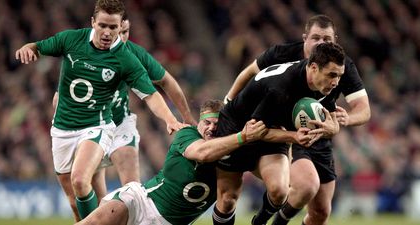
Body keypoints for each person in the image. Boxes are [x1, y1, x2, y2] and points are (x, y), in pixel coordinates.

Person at [15, 0, 185, 221]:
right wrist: (29, 48)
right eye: (103, 25)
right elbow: (38, 46)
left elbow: (151, 94)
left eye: (113, 28)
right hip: (62, 130)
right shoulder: (71, 39)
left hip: (97, 127)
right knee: (74, 202)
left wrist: (170, 119)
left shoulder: (125, 57)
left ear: (120, 27)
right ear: (92, 22)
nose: (107, 32)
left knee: (80, 180)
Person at [224, 15, 371, 225]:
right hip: (287, 131)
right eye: (316, 38)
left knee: (321, 213)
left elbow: (364, 110)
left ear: (335, 41)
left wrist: (346, 118)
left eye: (327, 39)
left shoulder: (341, 66)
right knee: (306, 185)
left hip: (320, 134)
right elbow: (248, 73)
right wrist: (228, 100)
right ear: (305, 38)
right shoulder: (281, 54)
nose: (321, 43)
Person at [52, 13, 196, 185]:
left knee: (131, 189)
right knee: (91, 195)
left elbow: (166, 81)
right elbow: (60, 97)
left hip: (120, 124)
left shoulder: (133, 54)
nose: (119, 37)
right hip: (89, 128)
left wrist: (186, 117)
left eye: (124, 32)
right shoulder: (83, 52)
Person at [75, 99, 268, 225]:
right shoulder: (187, 134)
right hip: (141, 201)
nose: (210, 128)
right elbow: (201, 153)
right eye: (206, 123)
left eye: (217, 125)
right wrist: (243, 136)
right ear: (198, 123)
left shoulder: (231, 154)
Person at [212, 42, 345, 225]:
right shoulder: (281, 88)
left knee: (280, 191)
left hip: (272, 126)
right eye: (332, 75)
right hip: (238, 126)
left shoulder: (326, 85)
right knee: (227, 199)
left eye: (339, 76)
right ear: (313, 67)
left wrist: (334, 129)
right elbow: (255, 132)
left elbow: (331, 119)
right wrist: (293, 136)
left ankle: (258, 223)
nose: (336, 81)